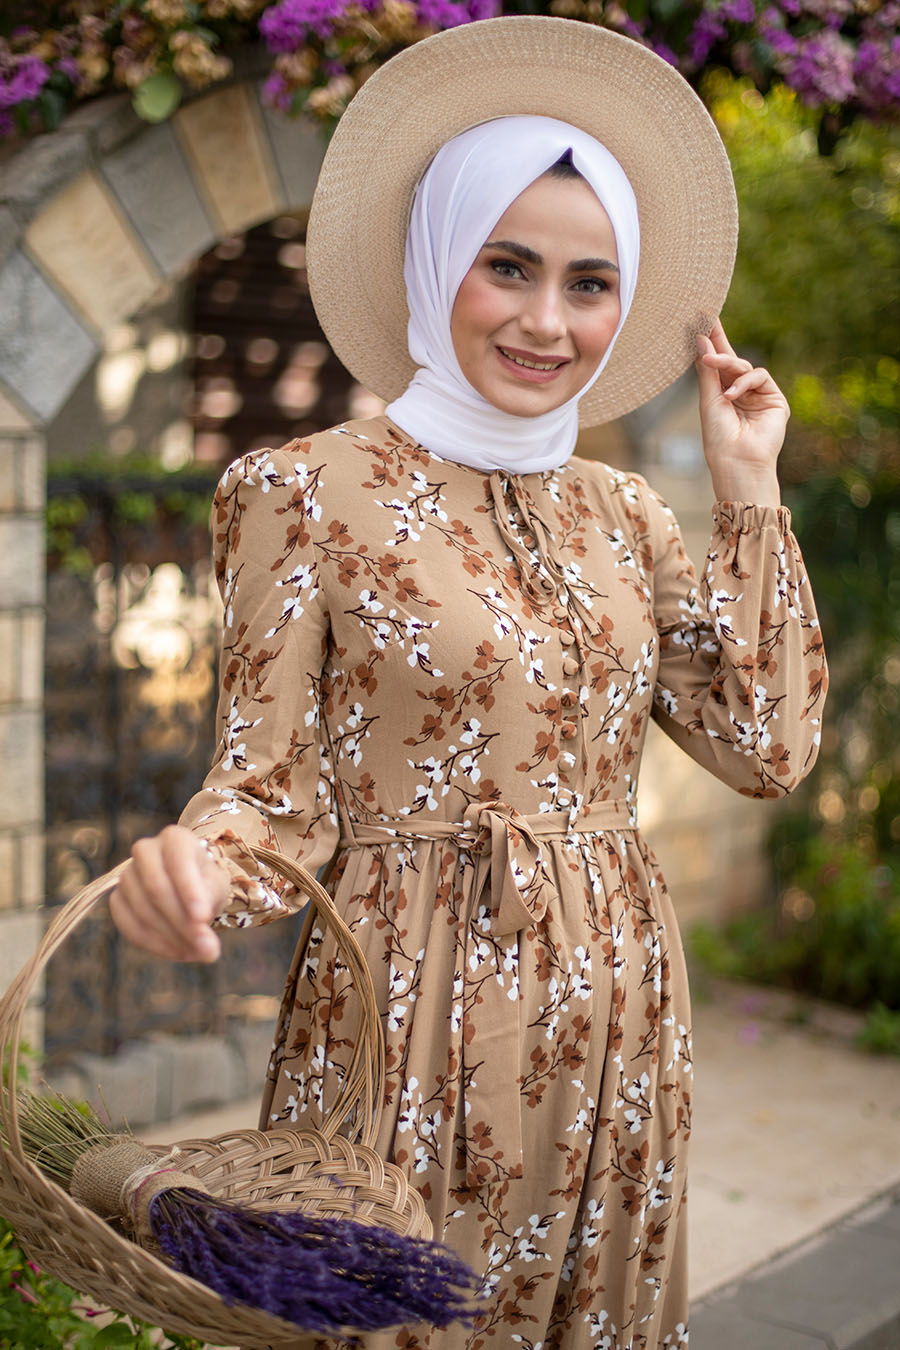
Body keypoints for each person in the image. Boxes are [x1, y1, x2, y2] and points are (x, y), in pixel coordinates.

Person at [109, 16, 827, 1348]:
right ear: (438, 257)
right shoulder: (297, 491)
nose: (548, 320)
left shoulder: (628, 513)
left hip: (621, 1014)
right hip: (405, 1010)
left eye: (590, 281)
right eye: (508, 265)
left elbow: (765, 745)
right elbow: (265, 788)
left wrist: (750, 489)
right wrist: (199, 872)